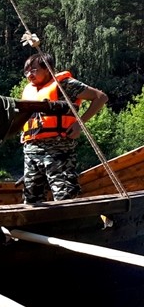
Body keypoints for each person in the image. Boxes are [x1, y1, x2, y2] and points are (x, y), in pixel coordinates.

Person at [20, 52, 108, 204]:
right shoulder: (29, 90)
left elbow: (100, 97)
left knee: (65, 196)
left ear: (47, 69)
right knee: (32, 199)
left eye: (33, 70)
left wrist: (79, 124)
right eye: (26, 71)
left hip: (59, 150)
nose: (29, 75)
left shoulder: (65, 84)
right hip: (32, 151)